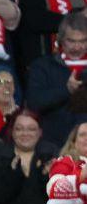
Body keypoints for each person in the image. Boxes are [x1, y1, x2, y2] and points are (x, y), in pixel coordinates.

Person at [26, 13, 87, 147]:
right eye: (71, 41)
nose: (77, 47)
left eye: (82, 41)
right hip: (53, 145)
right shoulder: (43, 66)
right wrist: (66, 90)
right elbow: (34, 103)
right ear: (60, 39)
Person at [45, 122, 87, 204]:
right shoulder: (65, 162)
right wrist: (81, 176)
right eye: (83, 134)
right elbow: (53, 189)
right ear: (74, 142)